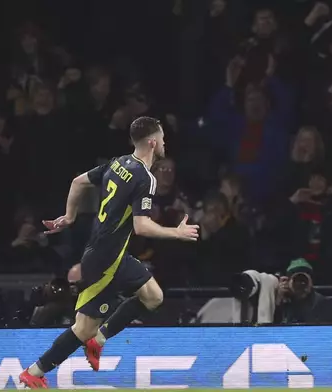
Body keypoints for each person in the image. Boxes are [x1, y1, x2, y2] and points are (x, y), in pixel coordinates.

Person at [19, 116, 200, 388]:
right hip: (105, 261)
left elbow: (78, 182)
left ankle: (98, 341)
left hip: (114, 254)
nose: (164, 143)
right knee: (82, 328)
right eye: (162, 139)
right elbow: (141, 226)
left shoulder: (118, 163)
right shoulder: (145, 178)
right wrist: (177, 233)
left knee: (153, 297)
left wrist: (70, 216)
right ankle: (34, 372)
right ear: (152, 142)